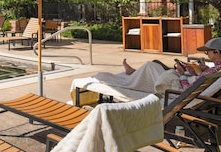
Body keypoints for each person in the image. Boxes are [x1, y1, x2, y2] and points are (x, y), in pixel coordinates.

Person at [92, 37, 221, 96]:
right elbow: (197, 84)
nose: (206, 54)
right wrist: (195, 72)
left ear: (217, 52)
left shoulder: (214, 70)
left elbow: (186, 90)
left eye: (207, 51)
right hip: (183, 82)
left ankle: (132, 74)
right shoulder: (216, 69)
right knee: (155, 64)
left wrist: (181, 74)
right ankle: (134, 72)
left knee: (150, 66)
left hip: (175, 88)